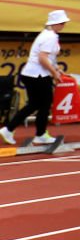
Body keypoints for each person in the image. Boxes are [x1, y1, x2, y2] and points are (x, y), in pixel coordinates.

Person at [0, 10, 70, 146]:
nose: (63, 25)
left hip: (32, 74)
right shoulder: (50, 37)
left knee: (34, 104)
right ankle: (40, 135)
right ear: (55, 23)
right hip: (38, 75)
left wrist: (57, 70)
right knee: (44, 104)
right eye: (62, 23)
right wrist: (54, 74)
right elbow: (42, 58)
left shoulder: (47, 35)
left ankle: (9, 129)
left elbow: (50, 58)